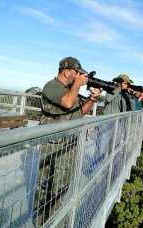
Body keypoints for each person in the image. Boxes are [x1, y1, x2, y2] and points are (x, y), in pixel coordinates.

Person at [34, 57, 102, 226]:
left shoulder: (69, 89)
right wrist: (77, 84)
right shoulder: (52, 86)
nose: (79, 76)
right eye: (77, 73)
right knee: (45, 184)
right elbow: (66, 103)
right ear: (66, 70)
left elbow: (80, 111)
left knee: (61, 186)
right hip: (52, 144)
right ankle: (41, 221)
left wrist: (92, 98)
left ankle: (54, 221)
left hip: (68, 144)